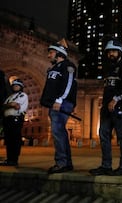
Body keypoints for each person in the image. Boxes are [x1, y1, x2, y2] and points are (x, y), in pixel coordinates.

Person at [89, 39, 122, 176]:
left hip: (120, 107)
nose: (111, 54)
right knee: (103, 135)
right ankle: (106, 165)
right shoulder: (108, 70)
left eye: (113, 51)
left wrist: (116, 99)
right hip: (107, 109)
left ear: (120, 52)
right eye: (109, 52)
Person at [40, 39, 77, 174]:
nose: (49, 55)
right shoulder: (53, 68)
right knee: (60, 133)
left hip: (61, 103)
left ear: (59, 53)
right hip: (54, 104)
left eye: (51, 52)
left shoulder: (68, 66)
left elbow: (69, 84)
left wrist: (60, 100)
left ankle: (61, 163)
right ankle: (66, 163)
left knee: (57, 132)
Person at [0, 79, 28, 166]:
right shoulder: (10, 97)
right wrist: (9, 105)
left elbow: (14, 105)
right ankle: (9, 159)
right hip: (7, 120)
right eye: (14, 85)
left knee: (15, 140)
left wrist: (8, 105)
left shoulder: (23, 95)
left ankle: (14, 160)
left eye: (17, 85)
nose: (15, 87)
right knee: (8, 140)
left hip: (16, 119)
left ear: (21, 87)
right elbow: (5, 106)